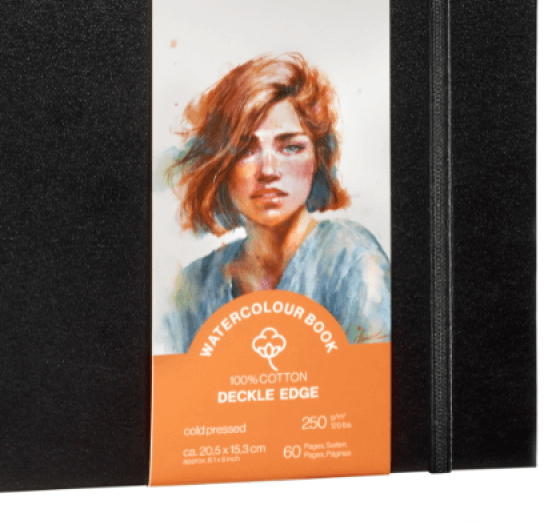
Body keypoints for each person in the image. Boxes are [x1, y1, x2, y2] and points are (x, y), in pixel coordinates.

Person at [158, 52, 390, 354]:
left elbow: (371, 378)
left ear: (317, 158)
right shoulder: (194, 285)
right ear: (221, 166)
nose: (268, 170)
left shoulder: (351, 258)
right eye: (246, 150)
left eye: (290, 147)